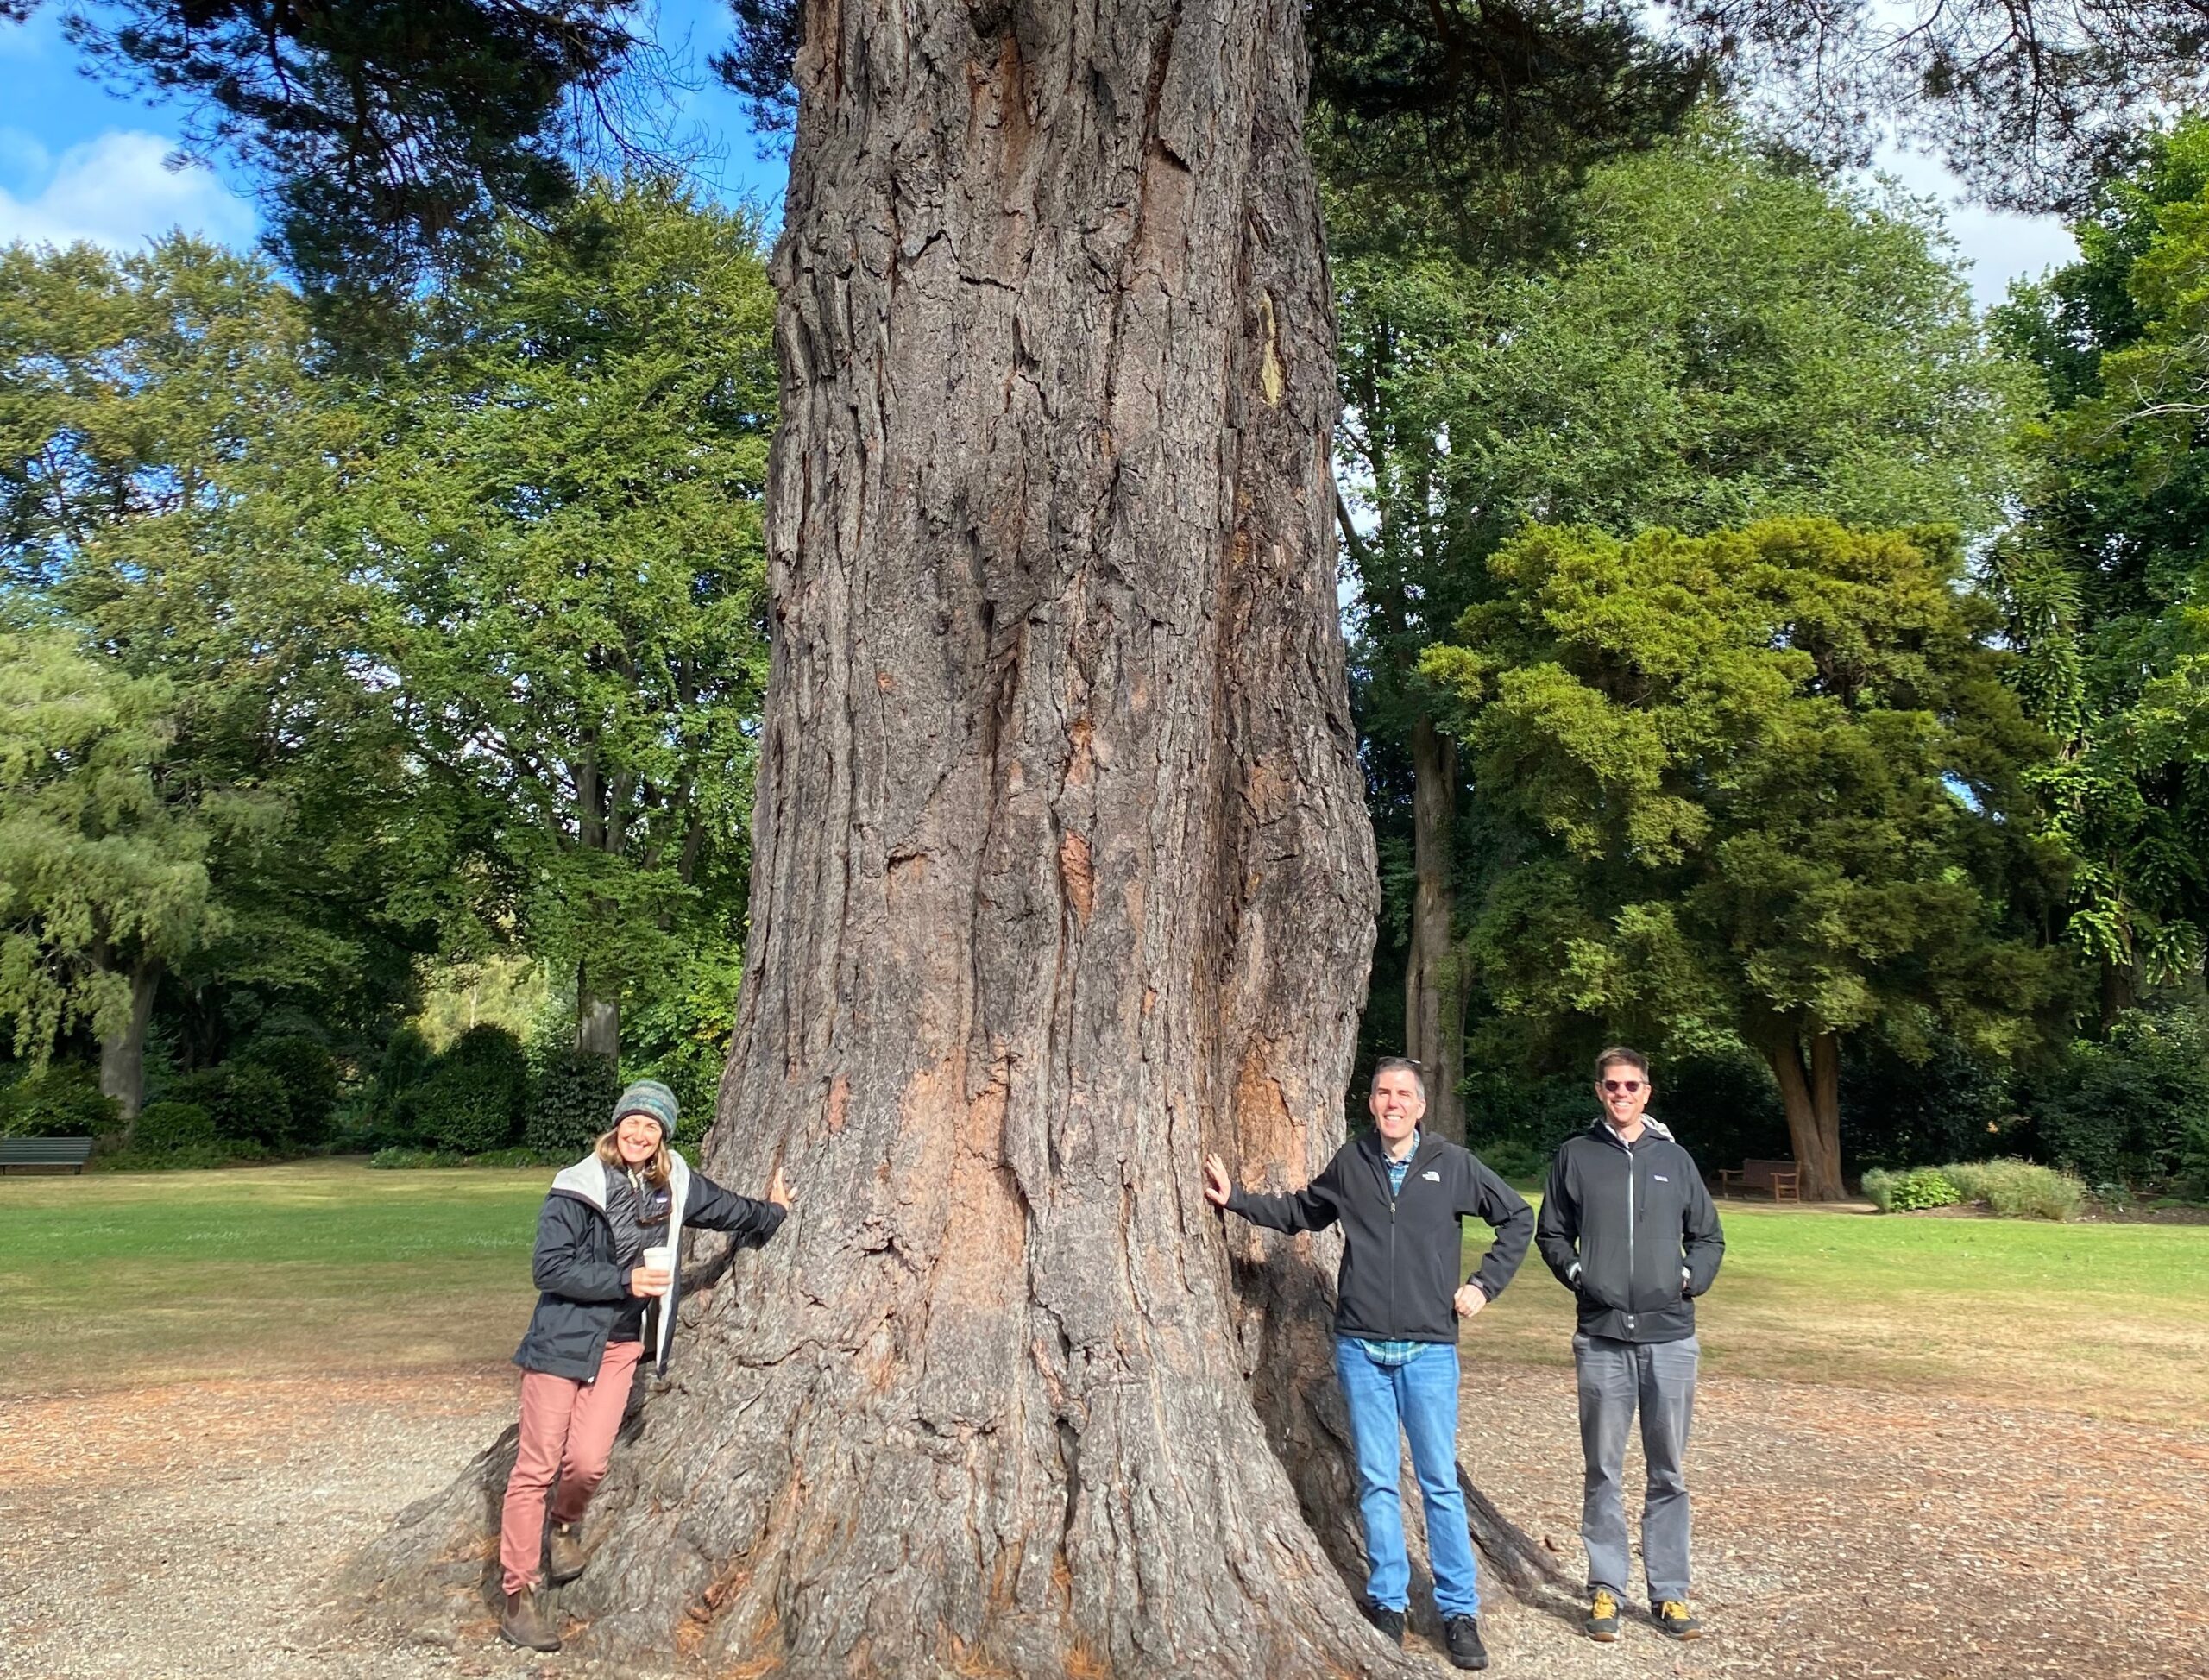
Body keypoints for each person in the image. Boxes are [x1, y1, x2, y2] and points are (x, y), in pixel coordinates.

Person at [1204, 1057, 1532, 1672]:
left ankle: (1458, 1611)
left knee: (1438, 1483)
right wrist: (1237, 1200)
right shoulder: (1353, 1162)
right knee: (1378, 1480)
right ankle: (1387, 1603)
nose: (1393, 1102)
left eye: (1404, 1093)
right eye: (1383, 1092)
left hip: (1430, 1347)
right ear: (1372, 1103)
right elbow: (1303, 1210)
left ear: (1421, 1104)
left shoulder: (1451, 1164)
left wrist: (1482, 1286)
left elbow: (1517, 1216)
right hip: (1362, 1347)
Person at [498, 1079, 792, 1653]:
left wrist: (774, 1210)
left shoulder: (673, 1181)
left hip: (623, 1342)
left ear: (662, 1135)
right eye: (632, 1120)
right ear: (616, 1125)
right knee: (535, 1466)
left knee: (586, 1461)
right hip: (562, 1339)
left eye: (651, 1125)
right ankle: (518, 1596)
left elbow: (729, 1209)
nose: (639, 1131)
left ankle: (564, 1524)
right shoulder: (576, 1186)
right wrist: (623, 1280)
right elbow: (549, 1268)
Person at [1535, 1046, 1724, 1645]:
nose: (1621, 1094)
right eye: (1612, 1085)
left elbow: (1710, 1236)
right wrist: (1577, 1275)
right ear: (1599, 1091)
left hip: (1670, 1336)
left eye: (1631, 1085)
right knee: (1604, 1470)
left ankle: (1668, 1593)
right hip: (1602, 1335)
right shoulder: (1576, 1155)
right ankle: (1605, 1589)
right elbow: (1551, 1230)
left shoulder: (1674, 1158)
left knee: (1668, 1470)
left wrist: (1690, 1277)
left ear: (1648, 1091)